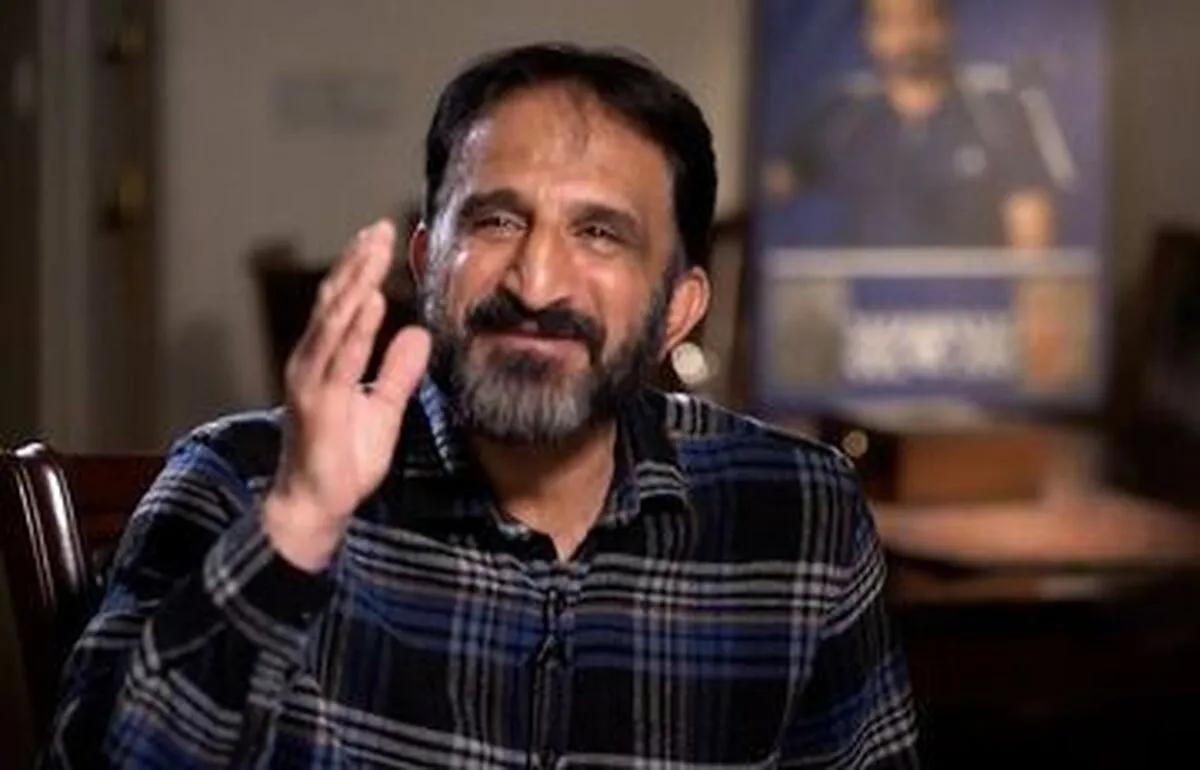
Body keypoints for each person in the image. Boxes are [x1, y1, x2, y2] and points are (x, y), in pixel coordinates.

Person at [43, 44, 919, 768]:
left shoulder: (799, 512)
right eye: (497, 221)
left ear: (677, 310)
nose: (535, 284)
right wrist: (297, 527)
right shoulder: (238, 482)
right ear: (426, 266)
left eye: (599, 233)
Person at [762, 0, 1058, 250]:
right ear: (868, 32)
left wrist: (1033, 290)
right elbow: (772, 189)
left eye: (921, 20)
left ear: (947, 25)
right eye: (889, 23)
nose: (907, 38)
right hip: (862, 298)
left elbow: (1033, 238)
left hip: (977, 299)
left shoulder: (998, 111)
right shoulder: (838, 114)